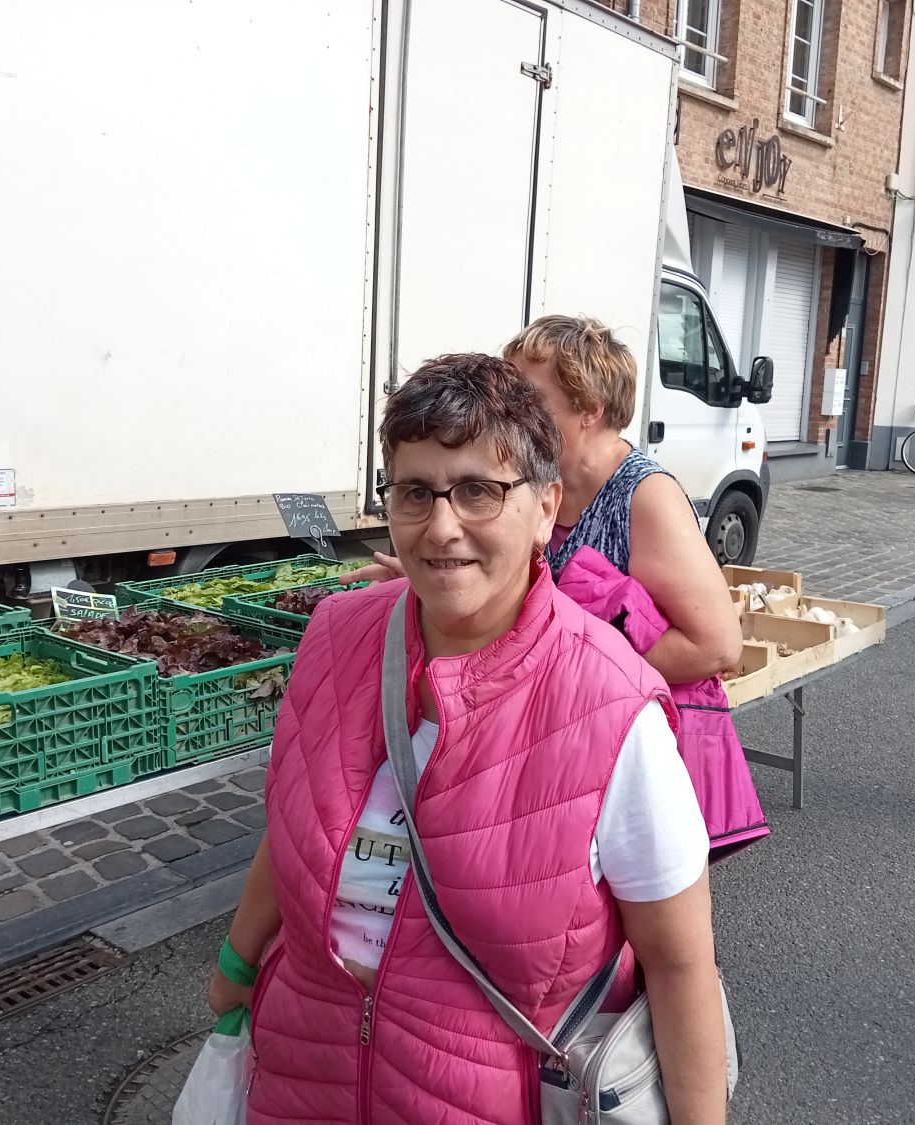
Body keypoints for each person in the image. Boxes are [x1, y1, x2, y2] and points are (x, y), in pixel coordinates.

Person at [210, 354, 728, 1124]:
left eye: (479, 490)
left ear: (547, 507)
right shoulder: (333, 637)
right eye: (415, 491)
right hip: (300, 1080)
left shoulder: (611, 704)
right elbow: (293, 824)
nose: (442, 525)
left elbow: (681, 965)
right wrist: (237, 962)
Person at [357, 316, 768, 857]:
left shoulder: (646, 497)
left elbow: (715, 645)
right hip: (551, 741)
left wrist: (573, 685)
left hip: (621, 747)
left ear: (589, 408)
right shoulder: (537, 488)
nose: (508, 413)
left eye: (527, 396)